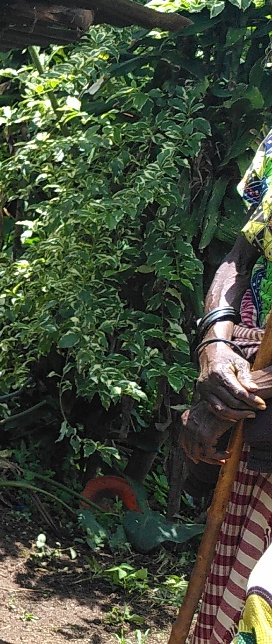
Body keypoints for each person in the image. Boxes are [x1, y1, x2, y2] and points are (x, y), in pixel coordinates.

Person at [183, 128, 272, 643]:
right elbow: (243, 254)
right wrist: (215, 345)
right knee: (229, 607)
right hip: (257, 424)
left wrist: (248, 387)